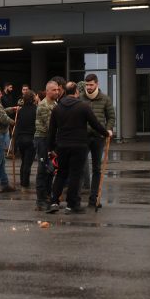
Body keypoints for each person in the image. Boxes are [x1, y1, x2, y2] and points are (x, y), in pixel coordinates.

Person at [48, 84, 111, 214]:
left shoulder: (57, 108)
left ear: (65, 92)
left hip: (62, 145)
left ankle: (54, 202)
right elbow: (95, 124)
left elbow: (52, 130)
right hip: (79, 145)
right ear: (76, 92)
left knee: (61, 173)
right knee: (75, 174)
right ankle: (72, 205)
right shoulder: (83, 106)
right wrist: (106, 133)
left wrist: (51, 148)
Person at [79, 73, 115, 208]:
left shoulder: (105, 99)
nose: (88, 87)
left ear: (97, 84)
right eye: (87, 85)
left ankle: (93, 199)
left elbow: (111, 117)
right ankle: (76, 198)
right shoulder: (80, 98)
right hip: (83, 137)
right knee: (80, 167)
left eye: (91, 85)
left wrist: (108, 129)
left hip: (98, 137)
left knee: (96, 168)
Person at [35, 78, 62, 211]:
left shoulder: (55, 103)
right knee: (43, 169)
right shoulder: (44, 105)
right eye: (54, 90)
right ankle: (41, 200)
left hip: (50, 140)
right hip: (43, 139)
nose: (57, 92)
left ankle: (47, 196)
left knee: (50, 170)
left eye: (58, 89)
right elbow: (50, 127)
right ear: (47, 91)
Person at [13, 90, 38, 190]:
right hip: (31, 138)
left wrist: (15, 142)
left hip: (21, 138)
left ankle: (22, 181)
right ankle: (25, 183)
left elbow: (17, 126)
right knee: (28, 163)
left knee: (24, 161)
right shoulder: (36, 110)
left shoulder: (21, 110)